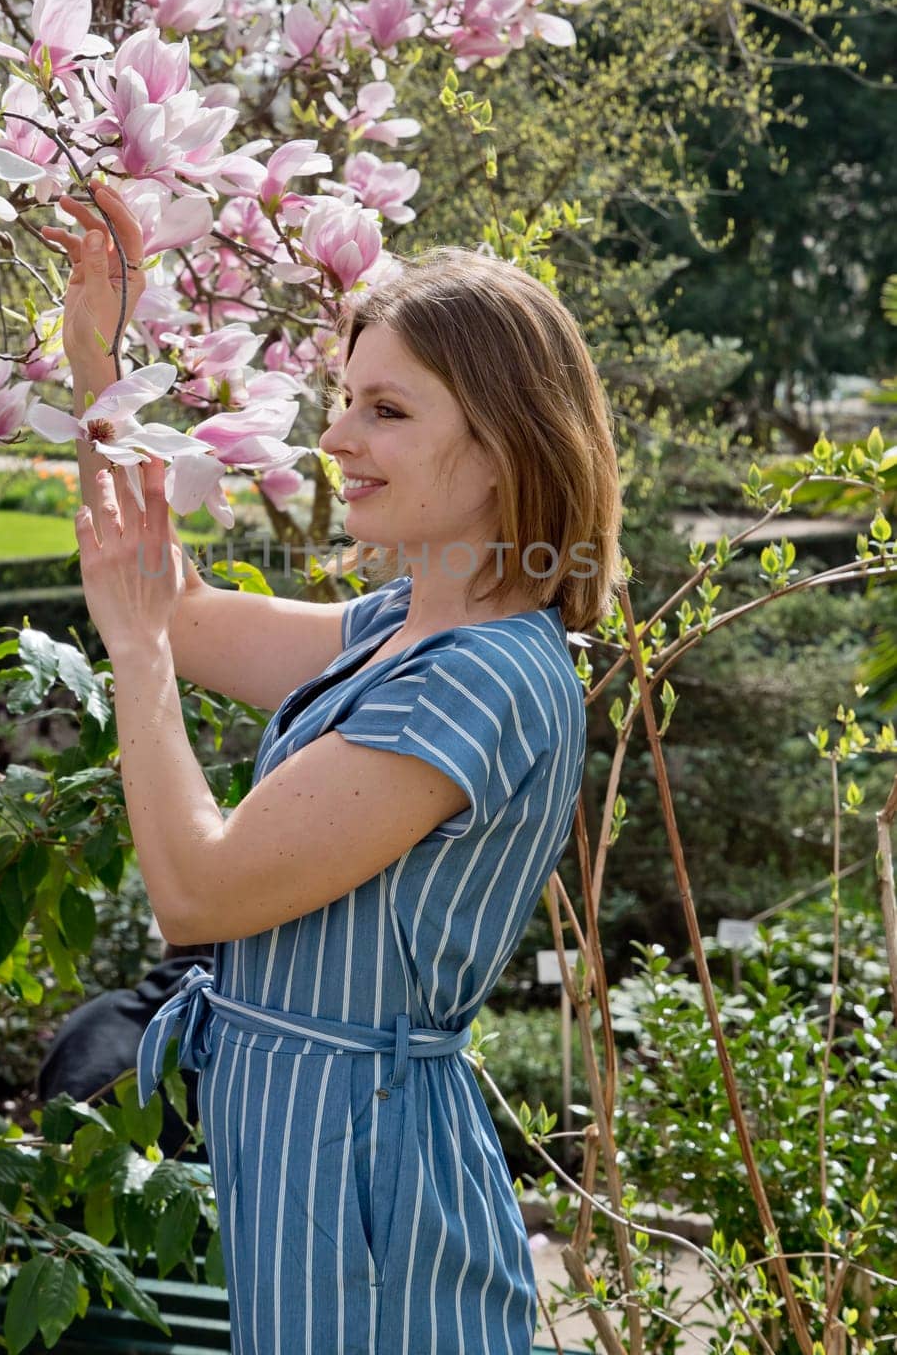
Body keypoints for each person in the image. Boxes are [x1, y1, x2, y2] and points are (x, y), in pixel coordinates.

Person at [42, 187, 622, 1354]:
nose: (339, 439)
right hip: (304, 1146)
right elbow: (179, 602)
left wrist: (137, 649)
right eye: (345, 402)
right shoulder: (403, 624)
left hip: (361, 1175)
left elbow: (196, 891)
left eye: (387, 410)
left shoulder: (484, 677)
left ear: (506, 446)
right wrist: (93, 358)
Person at [35, 938, 215, 1162]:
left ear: (168, 952)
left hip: (58, 1173)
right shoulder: (227, 1036)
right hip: (165, 1184)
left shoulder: (97, 1011)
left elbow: (47, 1092)